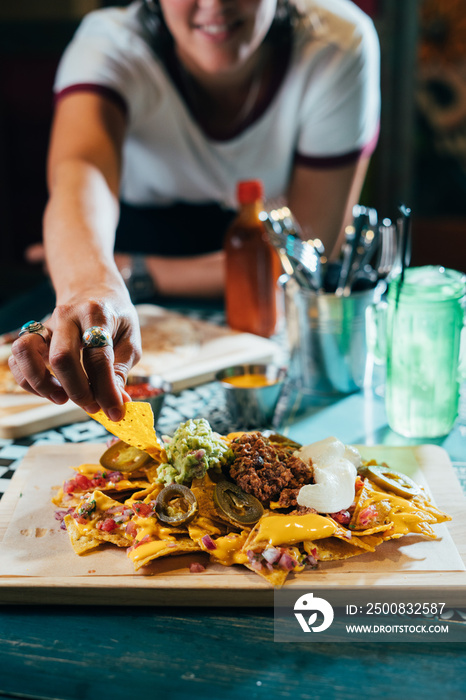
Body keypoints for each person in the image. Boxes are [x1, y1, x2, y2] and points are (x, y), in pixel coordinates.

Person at [9, 0, 380, 421]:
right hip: (112, 264)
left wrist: (138, 273)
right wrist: (90, 287)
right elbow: (81, 176)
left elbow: (309, 251)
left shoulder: (336, 42)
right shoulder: (110, 43)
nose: (215, 5)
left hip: (257, 292)